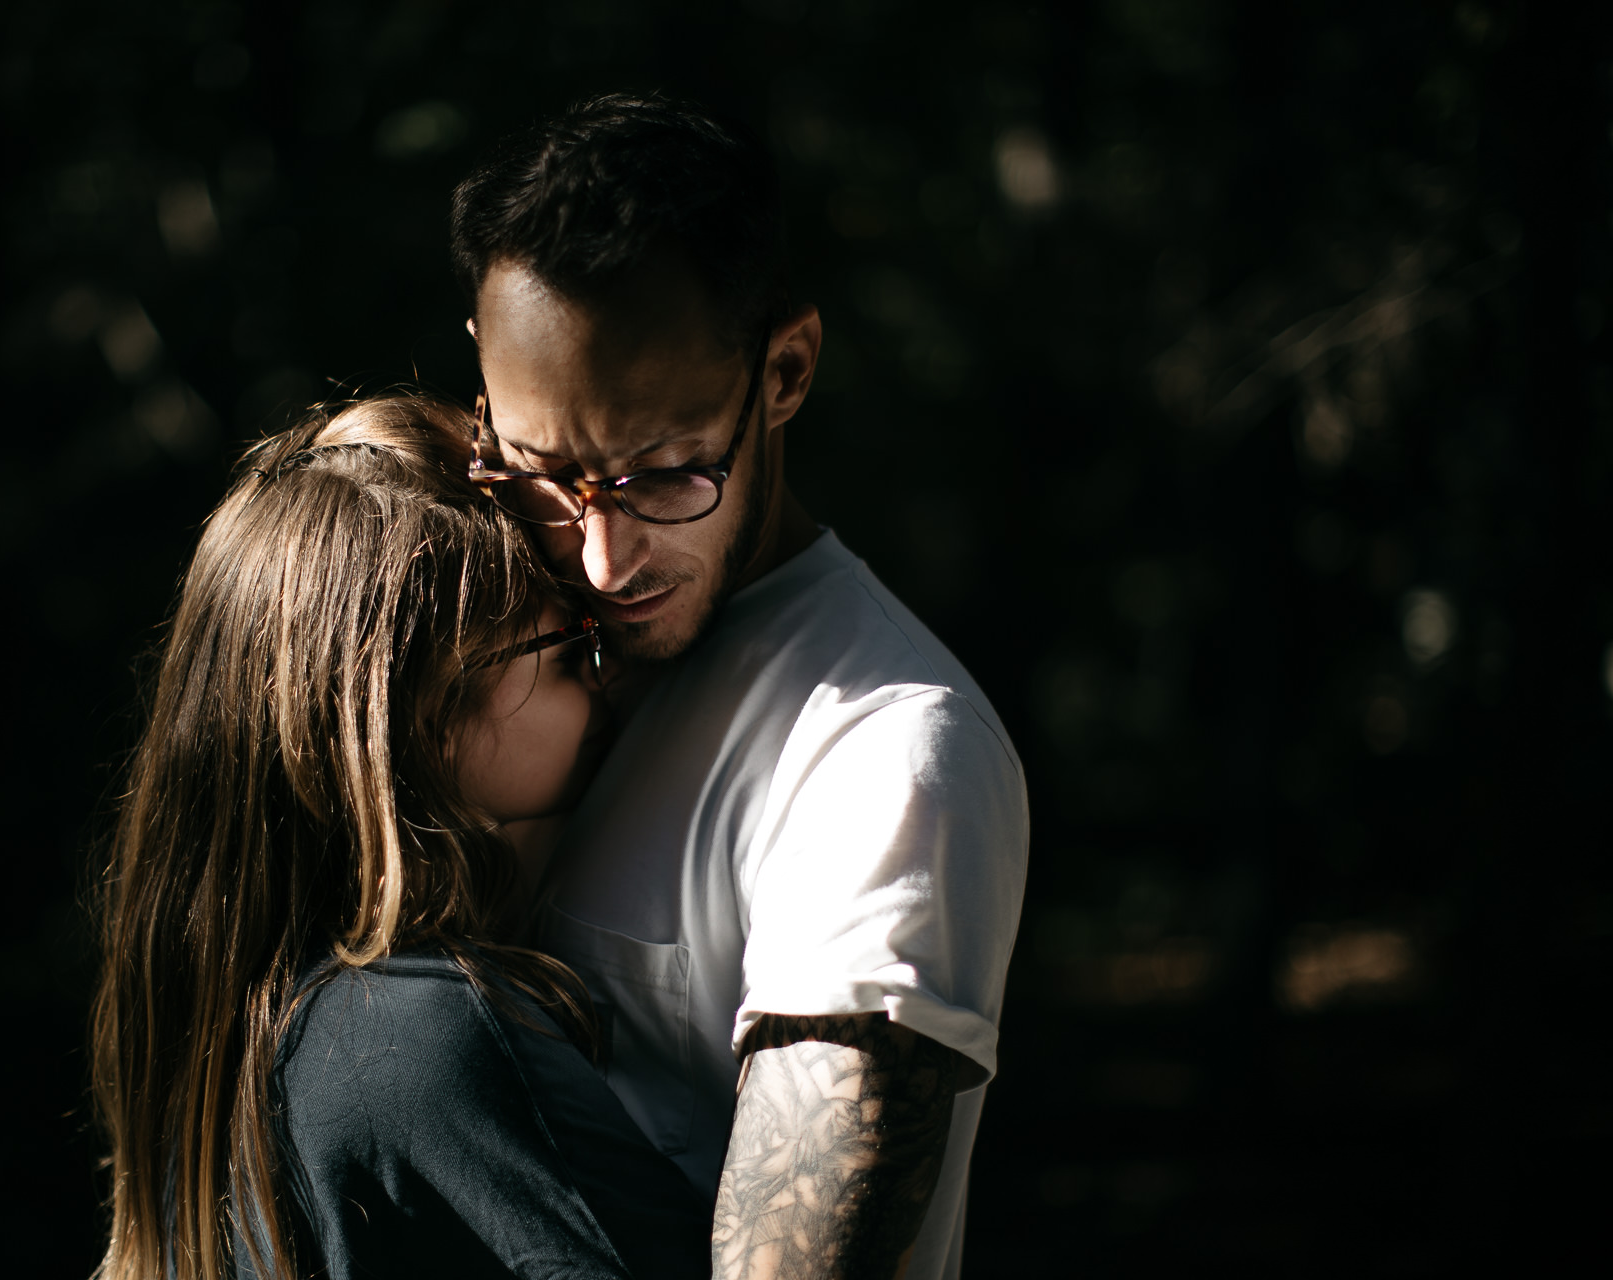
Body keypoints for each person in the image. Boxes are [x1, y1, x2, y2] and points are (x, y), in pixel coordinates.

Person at [450, 95, 1031, 1279]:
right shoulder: (499, 641)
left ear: (786, 369)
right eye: (541, 472)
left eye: (665, 472)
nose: (600, 559)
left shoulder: (883, 753)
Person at [88, 395, 709, 1280]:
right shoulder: (429, 1043)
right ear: (426, 718)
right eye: (573, 650)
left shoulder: (238, 1057)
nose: (609, 679)